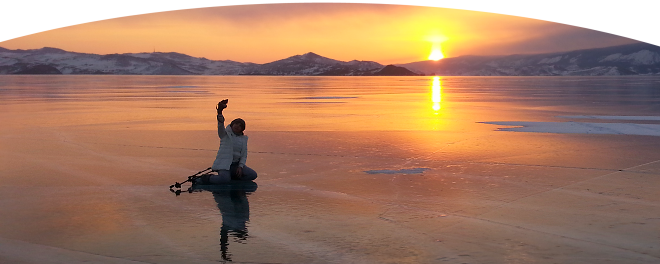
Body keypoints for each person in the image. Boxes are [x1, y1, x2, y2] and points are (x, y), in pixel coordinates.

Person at [202, 99, 258, 184]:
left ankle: (231, 177)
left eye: (240, 126)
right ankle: (206, 178)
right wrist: (220, 112)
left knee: (252, 175)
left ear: (242, 129)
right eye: (236, 124)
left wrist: (240, 167)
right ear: (232, 124)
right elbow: (220, 124)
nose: (237, 126)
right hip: (224, 164)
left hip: (235, 166)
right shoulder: (225, 135)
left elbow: (244, 155)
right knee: (224, 180)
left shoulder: (244, 139)